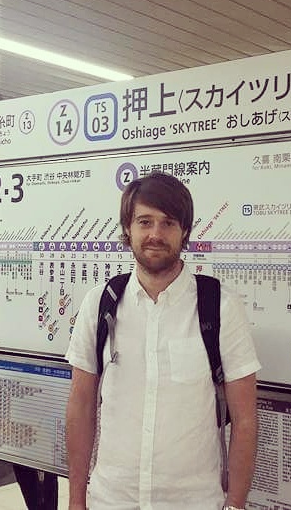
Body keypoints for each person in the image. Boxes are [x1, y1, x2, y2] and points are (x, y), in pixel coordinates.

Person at [66, 172, 261, 510]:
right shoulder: (100, 304)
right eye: (145, 221)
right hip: (111, 499)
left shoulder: (221, 307)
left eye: (168, 223)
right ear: (128, 228)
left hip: (193, 502)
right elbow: (81, 406)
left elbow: (245, 419)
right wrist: (75, 501)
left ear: (184, 231)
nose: (155, 234)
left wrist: (235, 505)